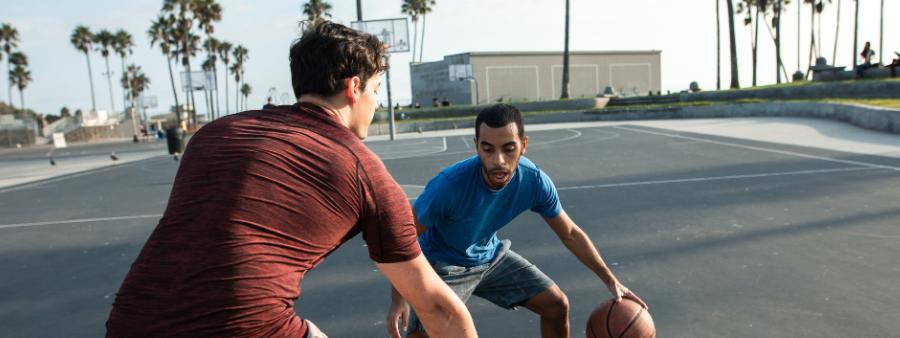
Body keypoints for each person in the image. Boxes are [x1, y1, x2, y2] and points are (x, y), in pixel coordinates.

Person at [106, 21, 476, 338]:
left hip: (130, 319)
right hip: (244, 326)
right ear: (353, 88)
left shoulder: (215, 134)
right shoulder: (362, 168)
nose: (376, 104)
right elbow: (439, 310)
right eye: (375, 90)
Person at [386, 104, 646, 338]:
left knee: (556, 305)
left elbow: (570, 233)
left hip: (489, 257)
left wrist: (610, 280)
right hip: (442, 266)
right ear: (476, 145)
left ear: (523, 145)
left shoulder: (533, 181)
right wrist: (401, 296)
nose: (498, 160)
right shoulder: (449, 186)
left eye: (508, 148)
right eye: (488, 149)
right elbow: (402, 235)